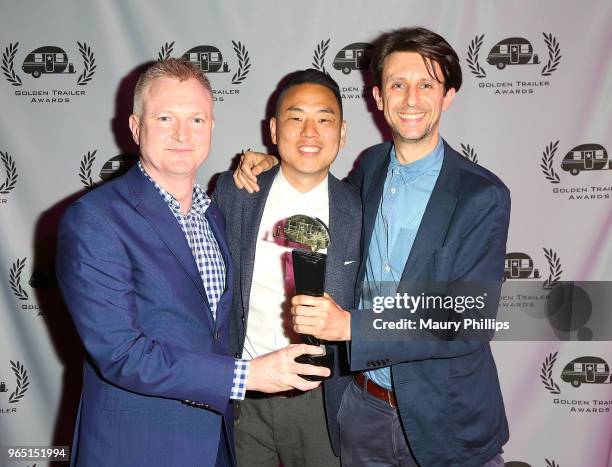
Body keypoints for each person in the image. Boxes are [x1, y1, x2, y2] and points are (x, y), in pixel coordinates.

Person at [233, 28, 510, 467]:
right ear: (379, 97)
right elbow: (314, 189)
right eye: (398, 84)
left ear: (449, 96)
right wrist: (272, 163)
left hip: (445, 419)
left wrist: (351, 328)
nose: (412, 98)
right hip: (362, 410)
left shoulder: (481, 195)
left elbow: (468, 317)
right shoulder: (371, 167)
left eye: (427, 84)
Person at [55, 58, 329, 467]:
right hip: (136, 447)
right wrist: (246, 376)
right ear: (135, 127)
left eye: (197, 120)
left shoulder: (213, 211)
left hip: (216, 440)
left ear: (212, 127)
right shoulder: (95, 219)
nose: (182, 134)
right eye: (165, 118)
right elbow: (120, 352)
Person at [213, 69, 361, 467]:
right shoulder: (236, 191)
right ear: (275, 130)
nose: (310, 131)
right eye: (296, 118)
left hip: (321, 406)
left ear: (342, 132)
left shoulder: (359, 207)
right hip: (244, 395)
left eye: (324, 119)